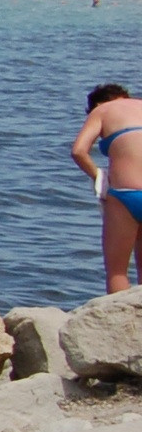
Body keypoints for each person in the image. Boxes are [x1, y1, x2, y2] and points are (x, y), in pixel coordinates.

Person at [73, 82, 142, 292]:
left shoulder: (102, 110)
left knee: (117, 272)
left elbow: (78, 151)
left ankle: (118, 314)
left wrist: (99, 177)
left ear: (97, 104)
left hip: (125, 193)